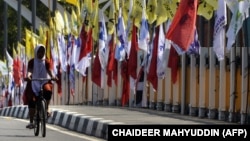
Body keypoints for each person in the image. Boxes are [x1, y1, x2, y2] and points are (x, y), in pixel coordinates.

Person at [23, 44, 56, 129]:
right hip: (33, 82)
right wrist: (29, 76)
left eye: (42, 52)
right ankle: (31, 122)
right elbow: (30, 71)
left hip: (44, 81)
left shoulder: (46, 62)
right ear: (36, 52)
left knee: (48, 91)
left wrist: (52, 76)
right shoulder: (32, 62)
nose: (41, 53)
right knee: (32, 101)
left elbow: (49, 71)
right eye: (39, 52)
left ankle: (47, 108)